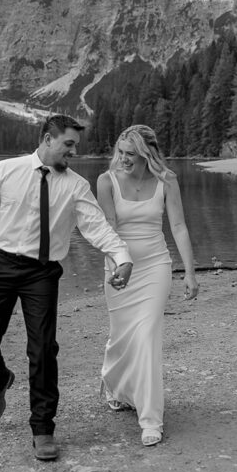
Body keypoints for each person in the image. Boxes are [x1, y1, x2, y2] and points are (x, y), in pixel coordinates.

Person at [0, 114, 133, 462]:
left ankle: (43, 428)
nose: (73, 151)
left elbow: (96, 227)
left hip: (41, 272)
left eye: (75, 145)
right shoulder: (6, 170)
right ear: (47, 139)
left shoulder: (75, 185)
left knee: (43, 349)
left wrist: (121, 256)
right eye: (68, 144)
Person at [96, 125, 199, 447]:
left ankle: (151, 419)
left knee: (147, 337)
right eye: (121, 151)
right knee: (122, 338)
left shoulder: (166, 181)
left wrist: (190, 272)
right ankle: (116, 386)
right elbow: (109, 230)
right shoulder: (106, 181)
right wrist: (118, 265)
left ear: (147, 154)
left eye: (131, 153)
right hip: (119, 268)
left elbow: (179, 226)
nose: (123, 159)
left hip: (156, 266)